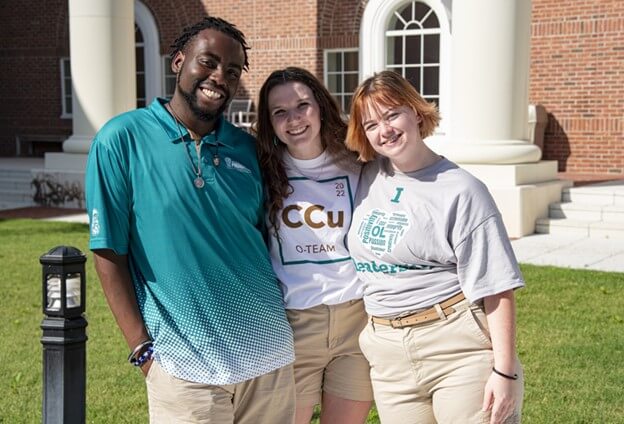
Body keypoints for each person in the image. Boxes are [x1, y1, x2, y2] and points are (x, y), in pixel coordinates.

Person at [85, 17, 296, 423]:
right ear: (178, 61)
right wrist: (142, 350)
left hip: (269, 357)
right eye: (209, 62)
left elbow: (263, 236)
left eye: (232, 71)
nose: (220, 77)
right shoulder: (121, 139)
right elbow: (109, 250)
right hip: (186, 368)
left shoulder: (248, 149)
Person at [345, 70, 525, 424]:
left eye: (392, 114)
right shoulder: (364, 176)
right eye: (371, 124)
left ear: (415, 111)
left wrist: (504, 371)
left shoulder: (461, 190)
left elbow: (497, 286)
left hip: (455, 346)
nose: (385, 130)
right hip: (387, 355)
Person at [255, 67, 373, 424]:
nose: (294, 119)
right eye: (280, 112)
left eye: (302, 105)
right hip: (294, 326)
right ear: (270, 122)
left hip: (356, 323)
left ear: (320, 107)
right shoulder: (263, 171)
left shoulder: (360, 164)